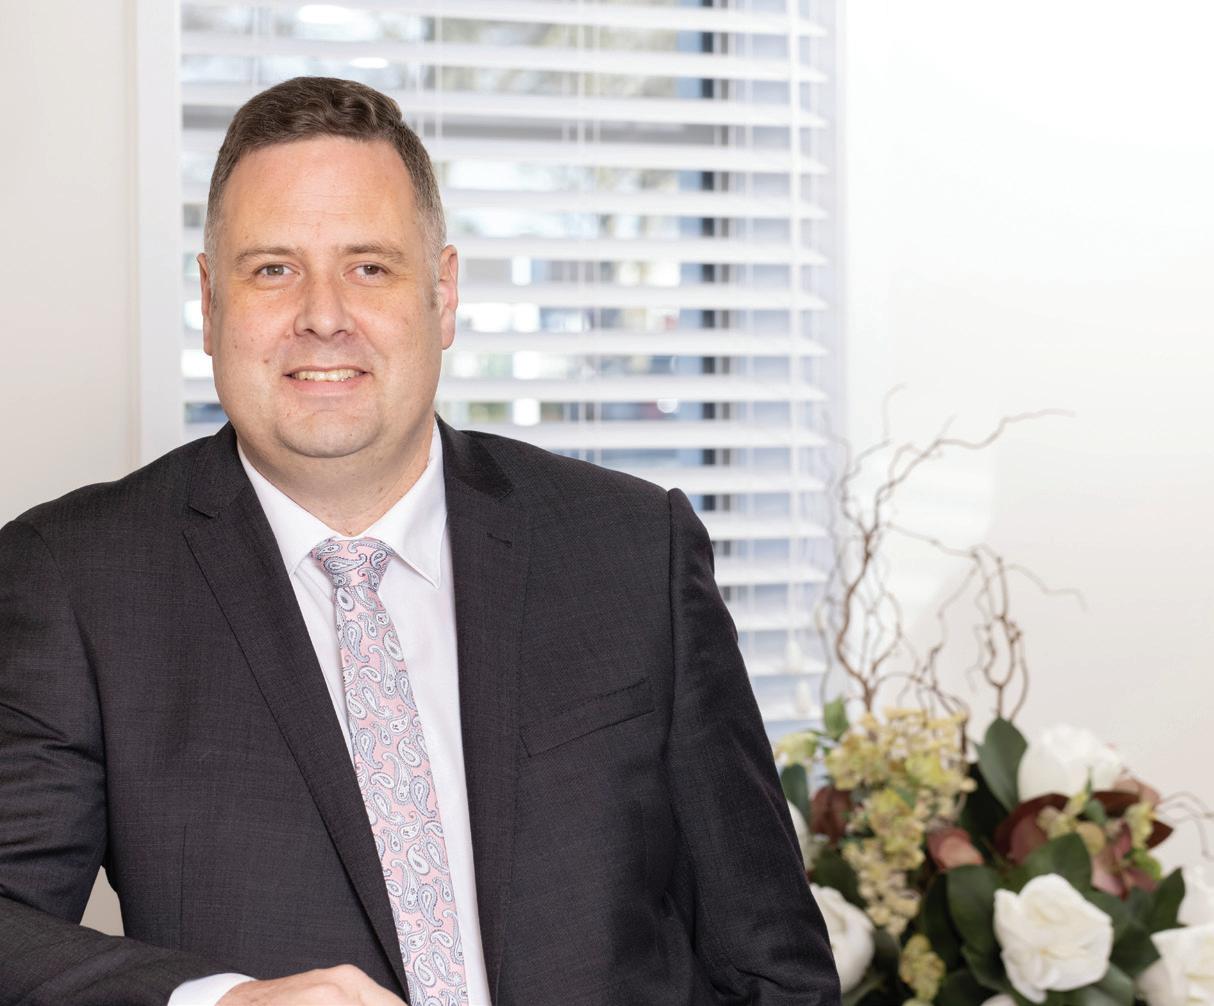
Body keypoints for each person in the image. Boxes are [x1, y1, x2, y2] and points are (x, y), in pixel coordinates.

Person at [0, 77, 840, 1006]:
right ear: (209, 300)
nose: (324, 315)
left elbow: (773, 964)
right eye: (273, 269)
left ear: (442, 296)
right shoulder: (75, 580)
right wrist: (219, 1002)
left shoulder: (634, 549)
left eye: (369, 267)